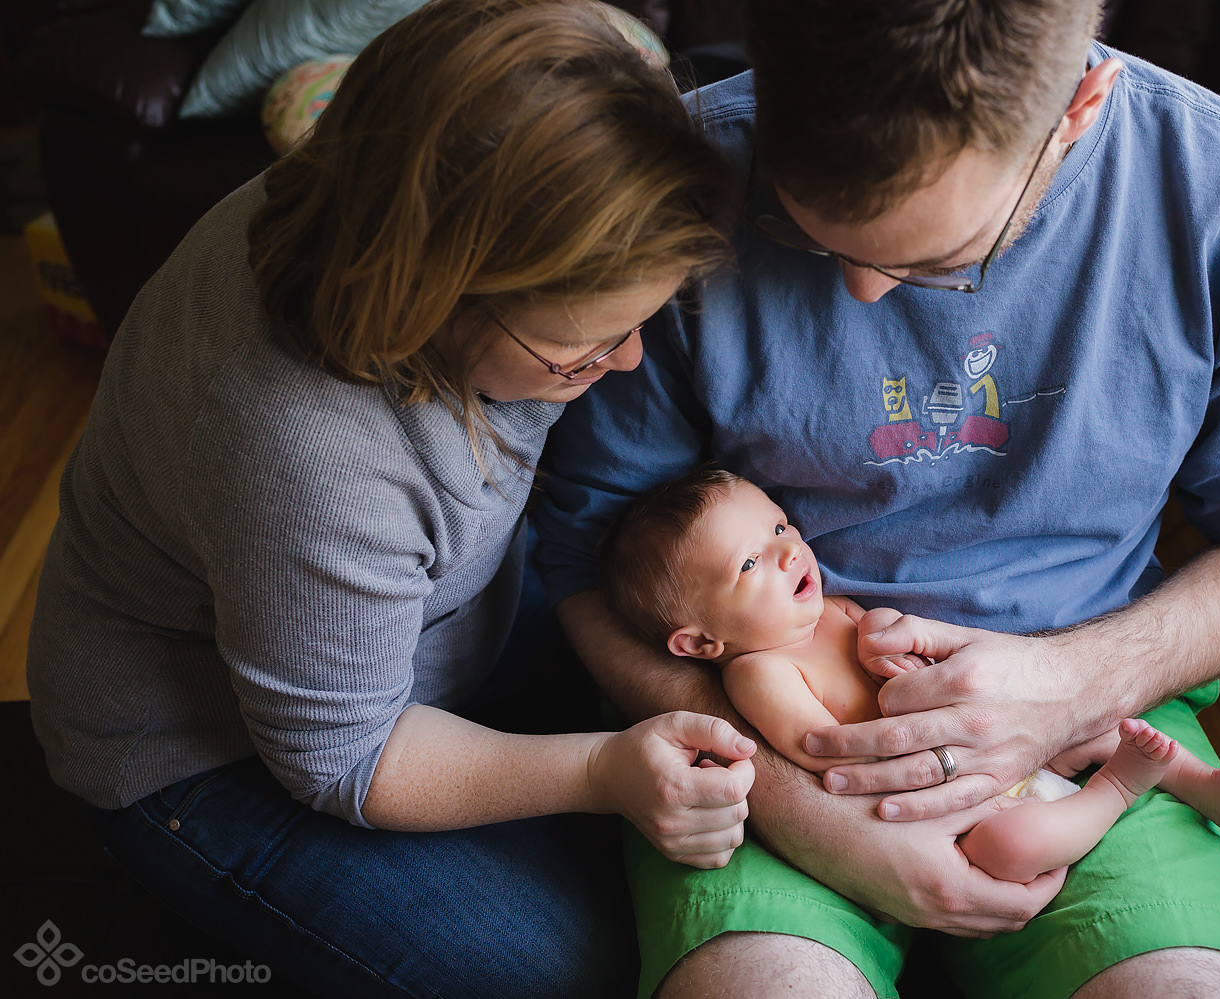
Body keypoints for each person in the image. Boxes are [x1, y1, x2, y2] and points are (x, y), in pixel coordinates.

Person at [535, 1, 1220, 997]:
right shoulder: (683, 171)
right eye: (805, 226)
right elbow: (585, 559)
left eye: (938, 262)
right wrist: (806, 810)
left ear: (1080, 106)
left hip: (1094, 709)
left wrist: (1075, 684)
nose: (863, 294)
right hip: (764, 757)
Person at [25, 2, 753, 995]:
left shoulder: (402, 174)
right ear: (436, 298)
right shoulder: (301, 445)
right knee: (588, 970)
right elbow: (345, 755)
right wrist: (598, 772)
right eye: (581, 352)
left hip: (433, 626)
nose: (625, 362)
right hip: (214, 754)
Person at [602, 468, 1220, 885]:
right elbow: (822, 747)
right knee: (1011, 847)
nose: (787, 552)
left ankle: (1209, 787)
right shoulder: (759, 671)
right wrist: (898, 712)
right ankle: (1117, 788)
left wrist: (885, 642)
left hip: (995, 735)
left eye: (779, 527)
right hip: (950, 797)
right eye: (749, 564)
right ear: (701, 641)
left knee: (1099, 724)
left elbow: (883, 635)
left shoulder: (830, 607)